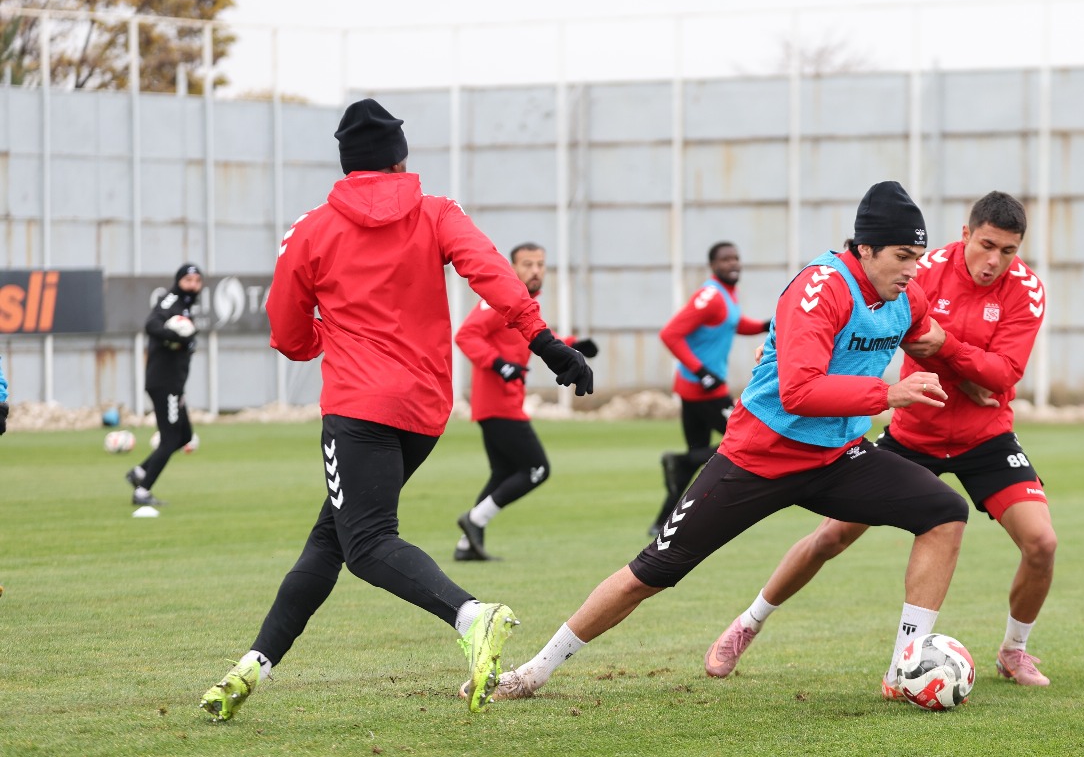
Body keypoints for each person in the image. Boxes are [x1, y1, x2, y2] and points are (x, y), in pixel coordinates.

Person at [481, 181, 971, 704]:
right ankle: (532, 672)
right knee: (652, 572)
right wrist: (889, 392)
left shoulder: (905, 296)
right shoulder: (822, 288)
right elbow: (799, 391)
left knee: (944, 512)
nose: (913, 270)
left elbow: (929, 337)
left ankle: (905, 667)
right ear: (865, 248)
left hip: (838, 456)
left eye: (918, 258)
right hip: (759, 455)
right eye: (902, 256)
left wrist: (979, 374)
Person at [199, 98, 594, 722]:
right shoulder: (437, 211)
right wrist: (547, 345)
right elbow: (490, 274)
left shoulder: (310, 229)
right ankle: (255, 663)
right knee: (332, 534)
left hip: (357, 408)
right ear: (400, 157)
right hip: (423, 412)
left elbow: (284, 330)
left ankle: (472, 616)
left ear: (346, 163)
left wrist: (322, 343)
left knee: (365, 542)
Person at [704, 191, 1059, 687]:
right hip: (914, 431)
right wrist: (967, 372)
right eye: (986, 245)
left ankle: (1013, 651)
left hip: (986, 436)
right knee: (830, 536)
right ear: (965, 235)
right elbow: (908, 338)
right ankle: (749, 622)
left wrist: (950, 350)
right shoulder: (922, 269)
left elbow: (1001, 374)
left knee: (1042, 542)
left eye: (1008, 251)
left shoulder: (1027, 290)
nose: (994, 261)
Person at [452, 240, 599, 561]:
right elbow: (465, 335)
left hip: (506, 402)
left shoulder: (524, 303)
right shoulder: (497, 301)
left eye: (540, 264)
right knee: (537, 469)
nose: (535, 271)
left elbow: (529, 335)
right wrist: (498, 364)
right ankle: (474, 520)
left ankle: (466, 546)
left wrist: (573, 344)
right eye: (527, 264)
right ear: (513, 268)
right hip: (497, 403)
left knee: (503, 473)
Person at [648, 241, 770, 536]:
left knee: (697, 455)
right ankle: (679, 461)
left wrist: (766, 325)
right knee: (750, 439)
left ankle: (662, 521)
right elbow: (670, 334)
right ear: (713, 265)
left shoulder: (727, 295)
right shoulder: (711, 296)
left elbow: (733, 323)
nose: (733, 263)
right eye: (726, 259)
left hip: (698, 388)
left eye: (736, 258)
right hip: (704, 390)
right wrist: (702, 372)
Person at [123, 263, 203, 507]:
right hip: (164, 382)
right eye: (188, 280)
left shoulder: (186, 307)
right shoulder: (171, 302)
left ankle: (139, 473)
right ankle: (143, 492)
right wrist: (179, 336)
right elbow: (152, 324)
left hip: (174, 384)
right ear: (178, 281)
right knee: (169, 439)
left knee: (184, 435)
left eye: (197, 281)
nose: (193, 285)